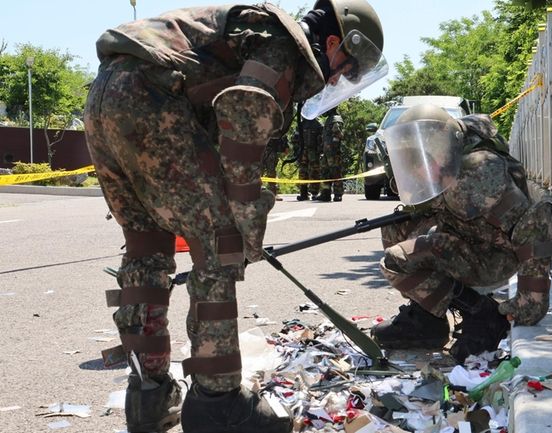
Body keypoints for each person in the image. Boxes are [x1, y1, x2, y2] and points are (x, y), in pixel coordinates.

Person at [83, 1, 386, 432]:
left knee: (145, 245)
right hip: (152, 96)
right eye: (348, 69)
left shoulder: (249, 32)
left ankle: (148, 398)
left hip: (105, 98)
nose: (341, 79)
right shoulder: (283, 42)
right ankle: (217, 402)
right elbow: (245, 113)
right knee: (220, 248)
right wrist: (245, 220)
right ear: (333, 43)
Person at [370, 104, 552, 363]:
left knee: (397, 260)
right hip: (469, 239)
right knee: (394, 227)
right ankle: (427, 320)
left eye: (420, 161)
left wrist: (530, 302)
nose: (416, 171)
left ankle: (482, 314)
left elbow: (532, 226)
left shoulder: (476, 174)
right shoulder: (446, 170)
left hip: (495, 256)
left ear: (440, 152)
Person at [318, 107, 346, 202]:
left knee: (335, 171)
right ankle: (325, 194)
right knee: (325, 172)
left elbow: (338, 134)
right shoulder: (330, 119)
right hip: (327, 152)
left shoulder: (335, 119)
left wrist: (334, 149)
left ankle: (338, 194)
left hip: (333, 152)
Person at [296, 117, 323, 201]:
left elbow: (322, 139)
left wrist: (320, 151)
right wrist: (296, 151)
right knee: (302, 172)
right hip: (303, 151)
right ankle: (303, 193)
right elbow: (296, 138)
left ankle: (315, 193)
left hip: (314, 152)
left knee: (314, 172)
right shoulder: (301, 124)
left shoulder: (318, 124)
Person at [263, 136, 290, 200]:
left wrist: (285, 146)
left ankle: (273, 194)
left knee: (271, 173)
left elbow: (281, 132)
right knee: (257, 172)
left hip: (271, 151)